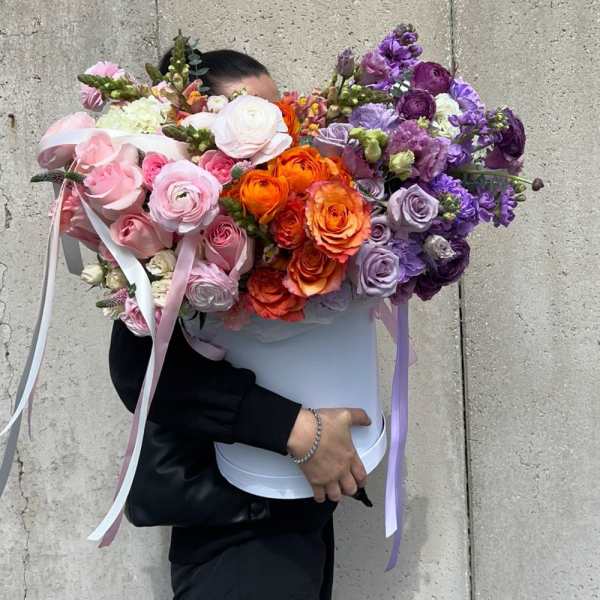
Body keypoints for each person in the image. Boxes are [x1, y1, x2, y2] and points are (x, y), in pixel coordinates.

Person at [108, 47, 371, 600]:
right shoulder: (173, 253)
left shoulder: (267, 238)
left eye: (279, 122)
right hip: (233, 531)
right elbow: (139, 370)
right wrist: (295, 429)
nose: (275, 145)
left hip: (288, 514)